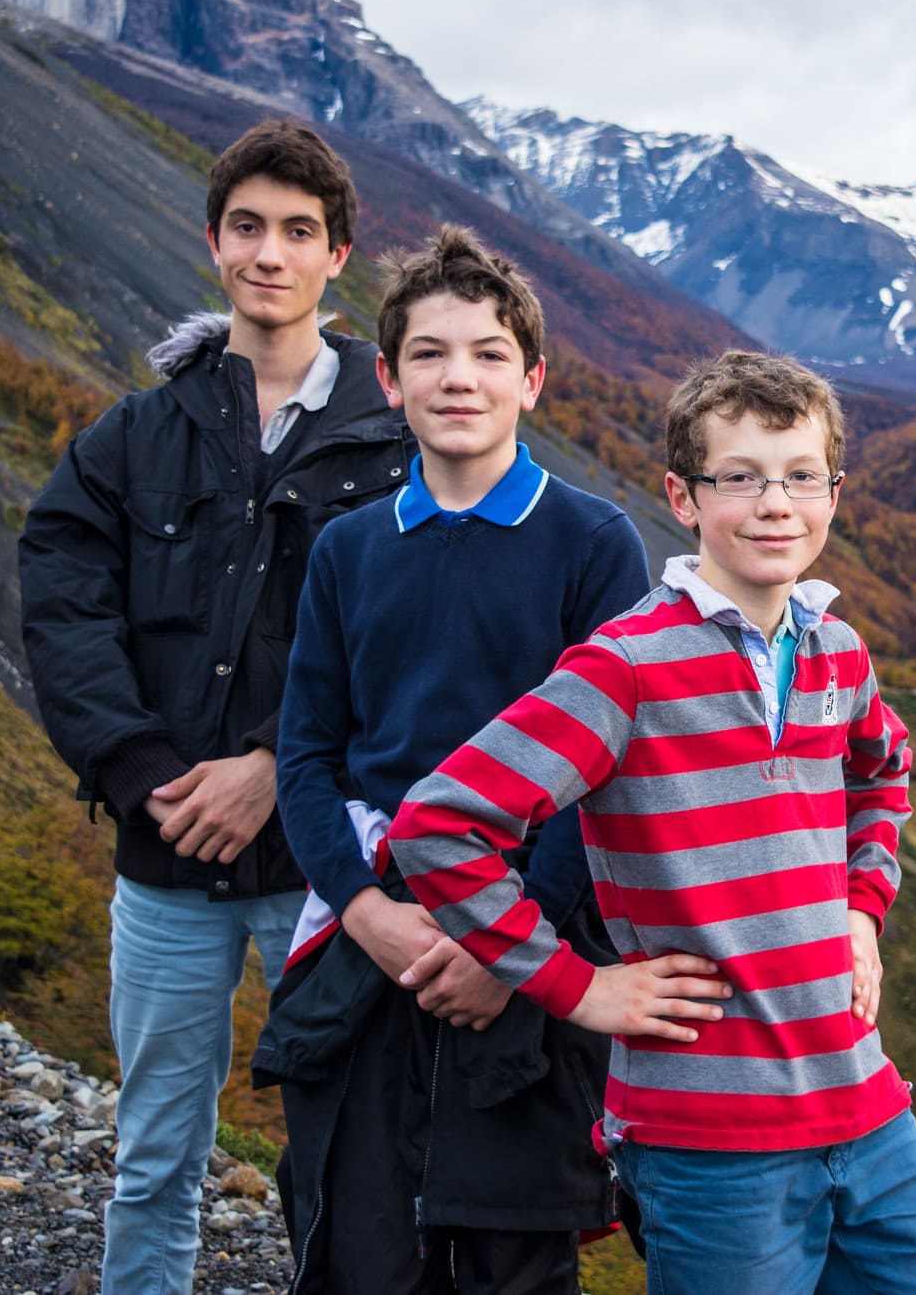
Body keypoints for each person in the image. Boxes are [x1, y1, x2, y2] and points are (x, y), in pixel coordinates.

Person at [389, 350, 916, 1294]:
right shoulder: (625, 668)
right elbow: (438, 828)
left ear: (834, 493)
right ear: (683, 495)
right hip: (712, 1143)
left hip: (869, 1113)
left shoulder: (837, 650)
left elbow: (883, 772)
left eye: (800, 477)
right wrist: (580, 990)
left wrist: (863, 911)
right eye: (739, 478)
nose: (774, 504)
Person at [17, 118, 408, 1295]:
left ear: (339, 255)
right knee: (153, 1159)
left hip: (327, 868)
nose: (270, 253)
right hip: (166, 861)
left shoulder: (394, 448)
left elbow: (399, 649)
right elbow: (62, 602)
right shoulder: (136, 436)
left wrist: (265, 768)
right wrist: (138, 769)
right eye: (249, 227)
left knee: (348, 1159)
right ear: (214, 242)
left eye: (299, 231)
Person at [254, 224, 662, 1293]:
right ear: (388, 380)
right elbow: (306, 756)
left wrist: (508, 947)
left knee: (509, 1255)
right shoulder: (347, 549)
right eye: (428, 354)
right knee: (358, 1246)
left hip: (529, 923)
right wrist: (362, 911)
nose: (458, 377)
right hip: (377, 930)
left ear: (531, 380)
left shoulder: (590, 541)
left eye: (487, 353)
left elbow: (609, 769)